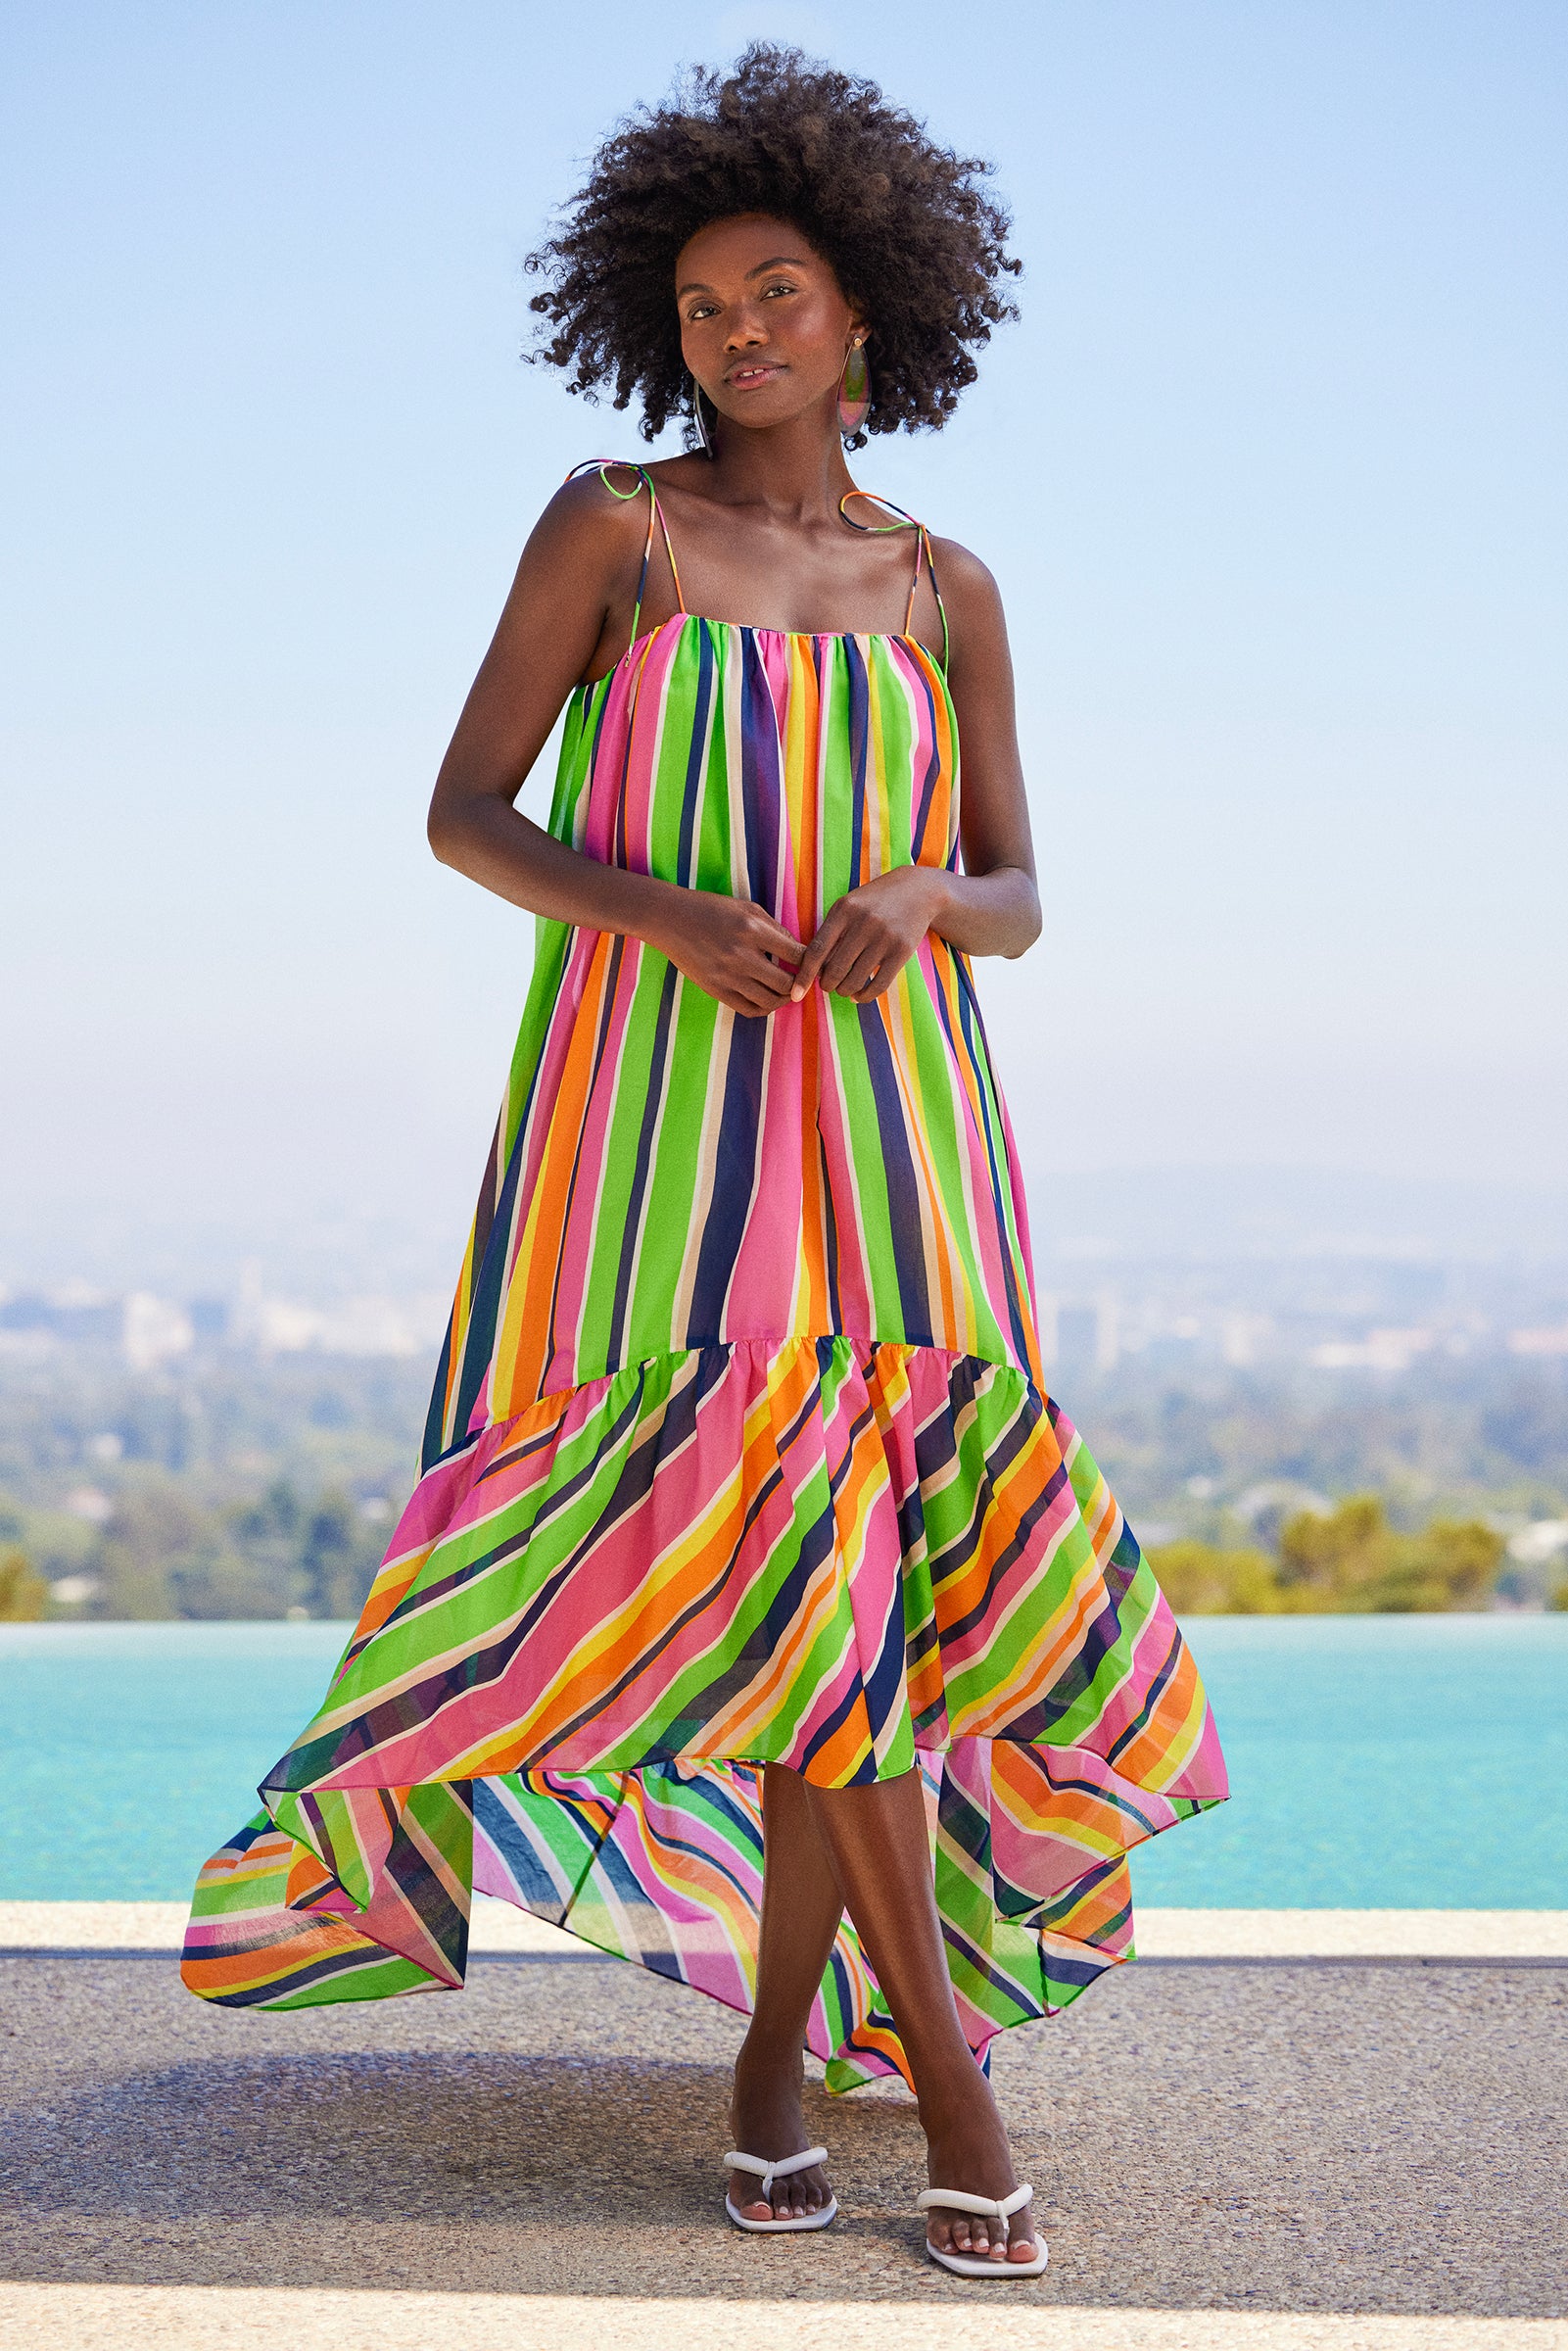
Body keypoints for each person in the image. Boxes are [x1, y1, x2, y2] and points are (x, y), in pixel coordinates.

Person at [181, 46, 1227, 2279]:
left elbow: (1024, 889)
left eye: (776, 293)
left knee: (840, 1604)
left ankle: (777, 2066)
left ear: (869, 312)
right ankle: (948, 2088)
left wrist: (929, 906)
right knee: (791, 1589)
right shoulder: (616, 531)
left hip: (905, 1133)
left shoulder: (948, 586)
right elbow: (466, 811)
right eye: (699, 307)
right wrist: (666, 911)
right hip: (649, 1128)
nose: (737, 335)